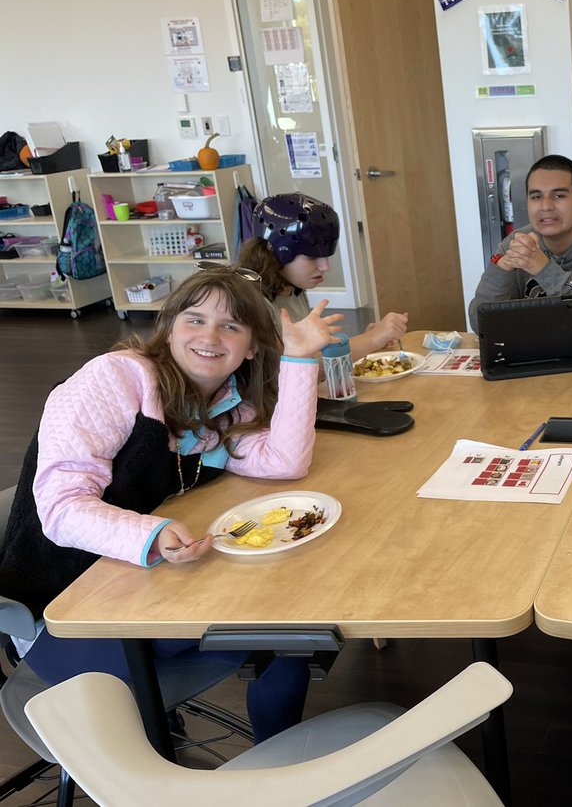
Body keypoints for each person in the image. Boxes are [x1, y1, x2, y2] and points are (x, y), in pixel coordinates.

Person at [0, 265, 341, 743]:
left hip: (138, 586)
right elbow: (60, 508)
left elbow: (283, 461)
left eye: (231, 325)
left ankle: (277, 759)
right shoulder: (114, 380)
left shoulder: (225, 403)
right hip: (61, 613)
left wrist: (301, 360)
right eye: (194, 319)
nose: (210, 335)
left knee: (292, 625)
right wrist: (151, 532)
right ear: (170, 326)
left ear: (253, 346)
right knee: (284, 623)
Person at [468, 154, 572, 342]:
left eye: (558, 195)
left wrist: (544, 269)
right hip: (543, 355)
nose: (546, 206)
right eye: (536, 196)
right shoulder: (516, 244)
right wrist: (500, 271)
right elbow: (479, 324)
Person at [237, 192, 409, 361]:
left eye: (326, 256)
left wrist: (368, 340)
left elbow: (310, 352)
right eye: (311, 256)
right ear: (274, 252)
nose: (325, 266)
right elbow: (297, 369)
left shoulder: (291, 289)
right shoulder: (256, 305)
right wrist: (372, 340)